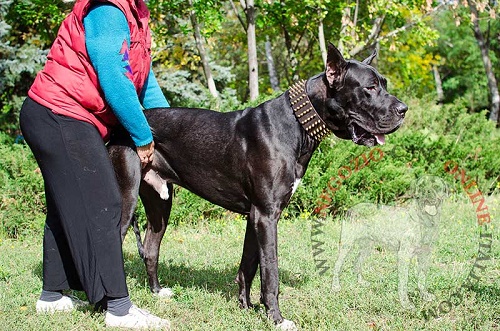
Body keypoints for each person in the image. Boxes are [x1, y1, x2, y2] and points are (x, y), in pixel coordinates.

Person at [19, 0, 171, 329]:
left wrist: (173, 130)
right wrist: (143, 136)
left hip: (62, 115)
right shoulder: (108, 9)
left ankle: (52, 296)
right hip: (58, 113)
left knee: (64, 207)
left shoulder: (137, 12)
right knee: (105, 202)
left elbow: (144, 82)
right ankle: (118, 308)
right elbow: (114, 76)